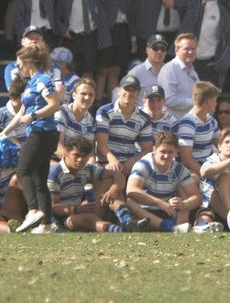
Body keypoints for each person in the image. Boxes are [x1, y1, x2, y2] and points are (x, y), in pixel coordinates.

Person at [0, 43, 61, 233]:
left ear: (29, 62)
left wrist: (34, 116)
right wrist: (4, 132)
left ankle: (33, 210)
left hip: (42, 133)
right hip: (40, 133)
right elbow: (21, 114)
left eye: (21, 64)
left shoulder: (42, 79)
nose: (20, 68)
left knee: (22, 172)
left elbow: (54, 104)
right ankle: (46, 224)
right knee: (39, 180)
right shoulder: (31, 83)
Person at [48, 136, 149, 233]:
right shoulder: (55, 174)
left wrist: (113, 190)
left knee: (109, 184)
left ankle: (128, 221)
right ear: (66, 153)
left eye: (84, 156)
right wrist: (76, 208)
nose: (80, 160)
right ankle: (122, 230)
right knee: (90, 218)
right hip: (68, 217)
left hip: (84, 208)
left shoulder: (86, 168)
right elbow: (54, 208)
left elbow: (118, 175)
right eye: (76, 155)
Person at [126, 131, 201, 232]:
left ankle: (189, 226)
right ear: (154, 149)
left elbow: (196, 197)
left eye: (170, 152)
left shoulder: (179, 168)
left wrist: (184, 204)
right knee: (130, 202)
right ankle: (170, 227)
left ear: (176, 152)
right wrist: (158, 202)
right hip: (145, 211)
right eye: (163, 151)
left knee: (184, 198)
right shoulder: (144, 164)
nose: (166, 156)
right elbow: (131, 190)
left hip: (168, 210)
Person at [96, 75, 153, 176]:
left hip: (129, 164)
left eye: (133, 90)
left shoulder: (144, 118)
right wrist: (112, 160)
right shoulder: (104, 111)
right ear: (118, 91)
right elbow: (101, 144)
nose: (129, 93)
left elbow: (147, 149)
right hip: (105, 162)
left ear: (138, 93)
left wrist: (133, 160)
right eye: (126, 89)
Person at [174, 81, 221, 176]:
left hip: (210, 165)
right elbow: (187, 160)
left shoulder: (211, 121)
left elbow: (221, 144)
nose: (216, 103)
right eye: (215, 100)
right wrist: (206, 174)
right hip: (195, 171)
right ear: (208, 101)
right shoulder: (188, 123)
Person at [157, 33, 200, 119]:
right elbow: (169, 100)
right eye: (186, 49)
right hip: (173, 126)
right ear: (176, 50)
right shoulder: (169, 69)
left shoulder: (193, 71)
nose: (190, 52)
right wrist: (196, 102)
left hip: (190, 124)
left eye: (193, 49)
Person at [54, 78, 97, 161]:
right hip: (55, 161)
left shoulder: (92, 121)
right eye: (83, 94)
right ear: (74, 95)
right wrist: (74, 165)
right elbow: (58, 146)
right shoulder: (61, 112)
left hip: (79, 163)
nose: (87, 97)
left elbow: (90, 154)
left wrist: (92, 166)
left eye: (91, 95)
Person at [127, 34, 168, 106]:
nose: (159, 52)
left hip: (167, 115)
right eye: (155, 48)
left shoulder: (171, 71)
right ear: (147, 50)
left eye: (163, 49)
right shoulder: (136, 73)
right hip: (143, 115)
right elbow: (128, 100)